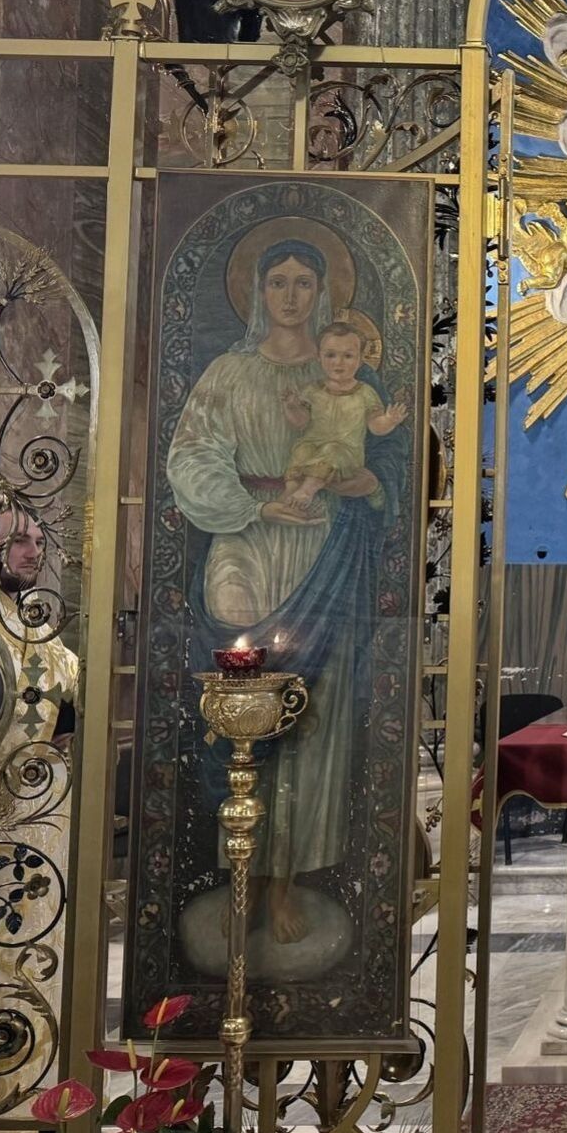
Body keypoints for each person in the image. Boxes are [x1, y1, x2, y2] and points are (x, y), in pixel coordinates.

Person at [166, 235, 403, 946]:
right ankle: (235, 874)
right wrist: (252, 505)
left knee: (315, 721)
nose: (292, 295)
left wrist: (368, 484)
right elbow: (190, 458)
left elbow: (397, 469)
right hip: (248, 539)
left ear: (324, 293)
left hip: (326, 549)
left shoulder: (353, 379)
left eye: (306, 281)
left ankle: (286, 884)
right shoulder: (228, 374)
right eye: (280, 282)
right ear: (259, 291)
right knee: (242, 702)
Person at [0, 498, 77, 1133]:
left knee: (28, 975)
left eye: (39, 540)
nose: (35, 552)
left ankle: (22, 1111)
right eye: (20, 541)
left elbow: (68, 722)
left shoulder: (40, 635)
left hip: (34, 841)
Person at [271, 321, 408, 521]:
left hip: (346, 454)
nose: (339, 363)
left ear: (360, 360)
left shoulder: (365, 393)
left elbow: (375, 426)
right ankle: (290, 491)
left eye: (348, 356)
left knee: (332, 450)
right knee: (301, 450)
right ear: (319, 357)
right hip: (313, 447)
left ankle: (307, 491)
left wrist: (388, 420)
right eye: (331, 355)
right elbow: (300, 422)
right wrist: (291, 406)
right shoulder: (312, 390)